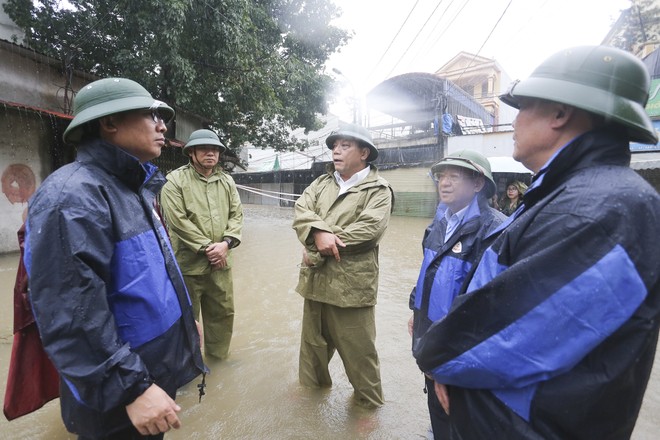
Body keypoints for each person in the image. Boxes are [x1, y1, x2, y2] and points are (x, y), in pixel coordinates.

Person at [413, 45, 660, 439]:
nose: (514, 119)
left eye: (523, 105)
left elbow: (504, 329)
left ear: (560, 113)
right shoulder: (562, 196)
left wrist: (436, 356)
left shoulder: (604, 209)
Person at [24, 77, 206, 439]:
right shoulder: (73, 197)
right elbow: (70, 312)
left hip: (150, 374)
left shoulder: (134, 188)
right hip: (120, 395)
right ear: (109, 123)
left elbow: (150, 276)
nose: (162, 125)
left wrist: (187, 323)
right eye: (151, 115)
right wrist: (132, 389)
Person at [292, 123, 393, 408]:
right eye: (335, 145)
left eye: (345, 145)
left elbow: (369, 231)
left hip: (351, 287)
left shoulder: (379, 190)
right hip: (316, 280)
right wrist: (316, 234)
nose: (336, 150)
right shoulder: (321, 183)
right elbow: (301, 210)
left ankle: (367, 406)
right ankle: (311, 396)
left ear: (364, 153)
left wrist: (319, 242)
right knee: (312, 349)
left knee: (360, 354)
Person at [408, 150, 505, 438]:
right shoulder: (439, 223)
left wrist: (458, 359)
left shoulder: (496, 231)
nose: (445, 183)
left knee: (463, 418)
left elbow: (491, 307)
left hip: (462, 351)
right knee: (438, 411)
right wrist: (416, 311)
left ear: (478, 184)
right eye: (441, 176)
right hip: (432, 338)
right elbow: (428, 272)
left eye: (454, 176)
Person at [160, 129, 243, 361]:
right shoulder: (174, 181)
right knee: (186, 318)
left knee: (223, 315)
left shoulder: (227, 182)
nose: (211, 153)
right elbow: (178, 221)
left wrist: (226, 244)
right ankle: (189, 367)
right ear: (192, 153)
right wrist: (209, 247)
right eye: (205, 149)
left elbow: (237, 216)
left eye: (215, 149)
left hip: (221, 263)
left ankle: (218, 360)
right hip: (188, 265)